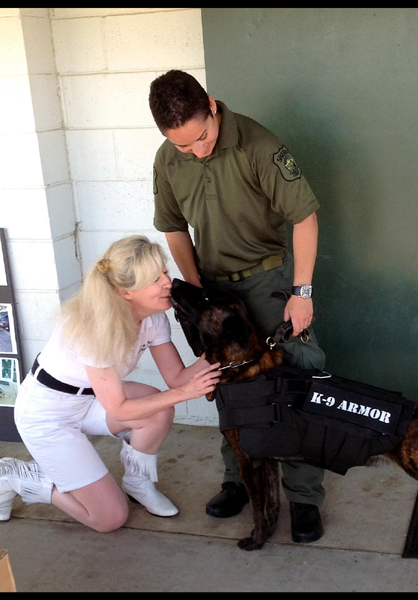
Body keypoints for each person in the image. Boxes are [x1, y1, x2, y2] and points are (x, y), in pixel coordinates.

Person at [149, 70, 327, 543]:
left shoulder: (259, 145)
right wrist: (194, 290)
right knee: (225, 384)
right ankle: (238, 481)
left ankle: (304, 498)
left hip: (267, 279)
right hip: (211, 286)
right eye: (184, 146)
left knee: (300, 373)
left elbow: (304, 217)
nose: (197, 151)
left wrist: (302, 291)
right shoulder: (168, 158)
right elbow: (172, 228)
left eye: (202, 138)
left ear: (211, 105)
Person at [0, 235, 221, 533]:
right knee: (108, 519)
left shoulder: (153, 319)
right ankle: (21, 477)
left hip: (91, 401)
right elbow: (121, 409)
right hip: (48, 416)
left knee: (159, 409)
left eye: (164, 272)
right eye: (154, 279)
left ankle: (138, 483)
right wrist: (184, 393)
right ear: (125, 292)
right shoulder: (95, 327)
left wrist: (222, 348)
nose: (167, 283)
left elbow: (176, 378)